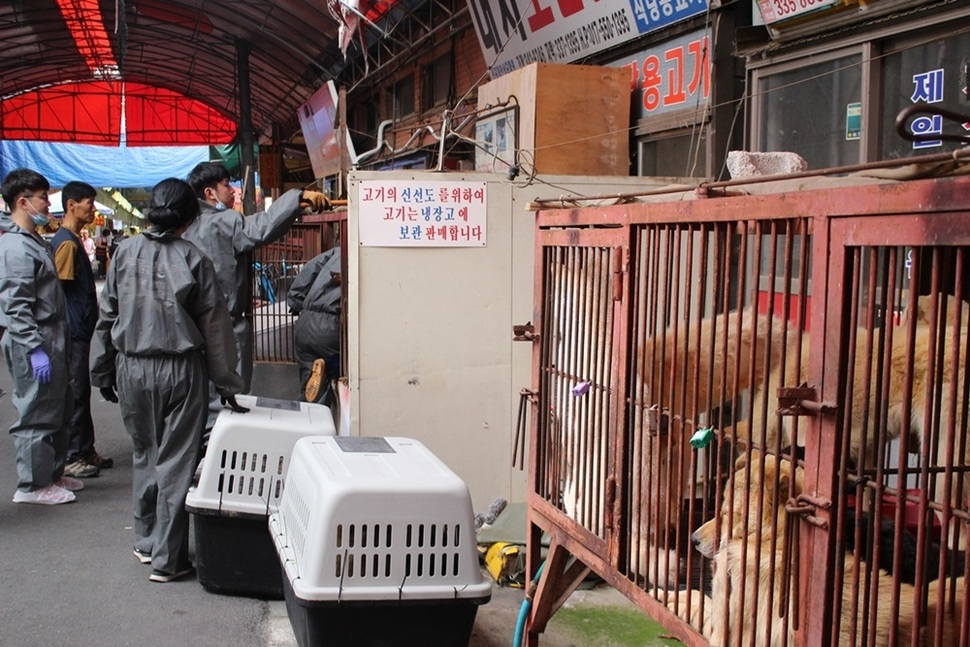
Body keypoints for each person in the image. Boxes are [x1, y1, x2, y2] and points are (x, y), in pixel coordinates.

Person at [91, 178, 248, 582]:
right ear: (192, 217)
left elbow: (107, 317)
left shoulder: (124, 253)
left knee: (145, 454)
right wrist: (228, 385)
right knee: (176, 462)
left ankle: (146, 542)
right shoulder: (194, 258)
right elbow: (216, 330)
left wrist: (102, 369)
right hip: (181, 370)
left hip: (132, 366)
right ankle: (167, 560)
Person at [184, 162, 328, 436]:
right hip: (225, 325)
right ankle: (218, 454)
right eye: (226, 185)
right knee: (230, 396)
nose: (234, 191)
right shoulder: (221, 222)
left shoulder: (187, 226)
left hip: (192, 327)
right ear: (209, 192)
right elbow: (258, 229)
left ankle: (203, 455)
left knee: (203, 397)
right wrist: (296, 198)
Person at [0, 168, 82, 504]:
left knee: (57, 407)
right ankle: (32, 485)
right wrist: (33, 347)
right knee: (36, 410)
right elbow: (16, 305)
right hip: (35, 337)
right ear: (22, 201)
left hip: (52, 333)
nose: (48, 203)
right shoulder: (15, 248)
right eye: (42, 197)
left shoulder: (34, 241)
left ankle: (51, 473)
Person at [52, 181, 113, 479]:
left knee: (82, 390)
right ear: (71, 205)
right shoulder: (65, 243)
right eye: (88, 202)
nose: (92, 208)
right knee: (76, 391)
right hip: (73, 329)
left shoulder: (74, 239)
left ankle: (85, 448)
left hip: (82, 328)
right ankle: (73, 454)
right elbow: (58, 291)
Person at [286, 246, 342, 404]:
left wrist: (297, 302)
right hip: (331, 325)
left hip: (305, 322)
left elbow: (308, 270)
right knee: (345, 369)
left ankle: (304, 415)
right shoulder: (371, 256)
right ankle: (329, 370)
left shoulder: (337, 251)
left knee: (309, 386)